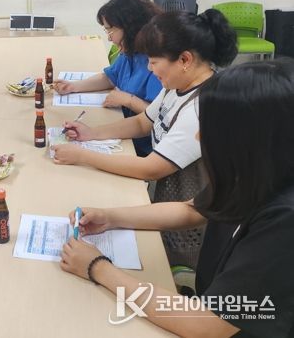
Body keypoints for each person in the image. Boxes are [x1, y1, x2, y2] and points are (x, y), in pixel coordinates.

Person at [59, 59, 294, 337]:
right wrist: (110, 218)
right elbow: (193, 210)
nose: (199, 135)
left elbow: (206, 324)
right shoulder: (254, 173)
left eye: (212, 128)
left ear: (252, 138)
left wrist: (97, 268)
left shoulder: (284, 221)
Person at [52, 9, 238, 267]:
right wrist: (92, 134)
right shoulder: (177, 86)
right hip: (165, 204)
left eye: (153, 61)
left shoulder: (201, 107)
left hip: (185, 229)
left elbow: (151, 169)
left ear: (184, 59)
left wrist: (83, 155)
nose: (149, 68)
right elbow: (143, 122)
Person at [53, 0, 163, 156]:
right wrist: (73, 87)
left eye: (110, 30)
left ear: (130, 28)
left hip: (142, 144)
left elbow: (159, 117)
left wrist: (129, 100)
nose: (109, 38)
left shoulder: (157, 63)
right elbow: (110, 77)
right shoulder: (130, 51)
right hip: (124, 127)